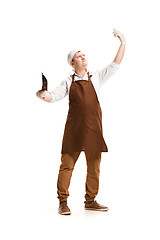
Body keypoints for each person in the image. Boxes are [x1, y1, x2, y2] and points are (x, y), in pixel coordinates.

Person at [36, 28, 126, 215]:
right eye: (79, 56)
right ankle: (63, 202)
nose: (83, 57)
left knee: (94, 167)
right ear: (72, 63)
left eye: (84, 54)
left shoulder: (97, 77)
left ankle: (91, 201)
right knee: (67, 165)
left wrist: (123, 43)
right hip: (74, 130)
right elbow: (52, 96)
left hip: (93, 129)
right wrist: (42, 95)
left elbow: (115, 65)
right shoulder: (68, 82)